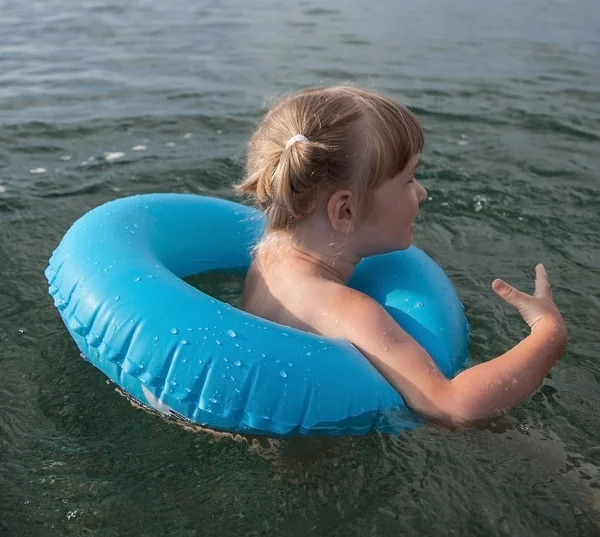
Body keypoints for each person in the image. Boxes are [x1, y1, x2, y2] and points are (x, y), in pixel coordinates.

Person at [234, 85, 567, 428]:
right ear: (345, 211)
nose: (422, 192)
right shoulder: (349, 310)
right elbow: (451, 406)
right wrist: (549, 332)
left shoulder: (268, 254)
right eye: (409, 180)